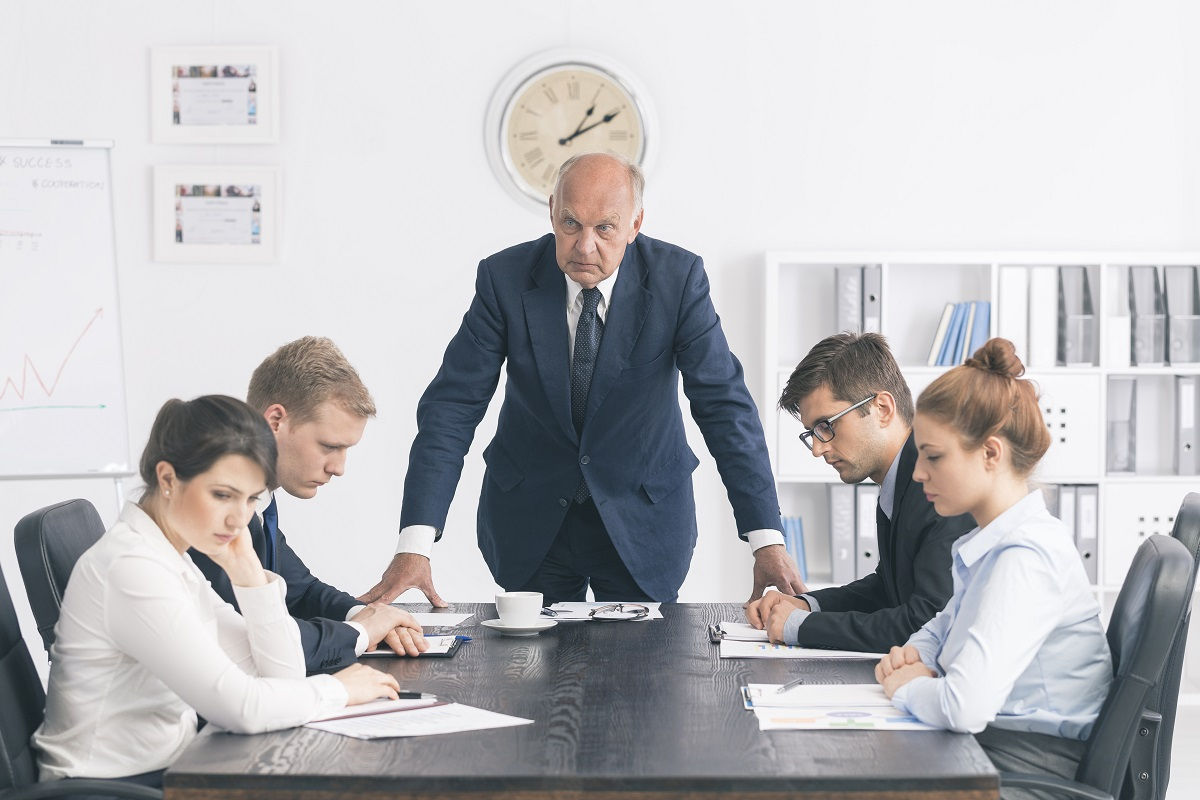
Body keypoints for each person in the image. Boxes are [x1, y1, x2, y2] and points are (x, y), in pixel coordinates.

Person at [360, 151, 804, 606]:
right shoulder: (504, 279)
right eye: (571, 224)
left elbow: (725, 407)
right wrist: (414, 545)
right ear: (552, 211)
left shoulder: (678, 280)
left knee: (643, 675)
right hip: (533, 520)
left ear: (635, 225)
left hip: (642, 520)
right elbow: (452, 408)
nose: (585, 246)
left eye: (605, 228)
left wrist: (766, 539)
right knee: (531, 672)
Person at [33, 395, 399, 787]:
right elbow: (240, 707)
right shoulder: (131, 568)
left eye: (250, 499)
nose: (238, 519)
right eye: (223, 495)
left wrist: (251, 579)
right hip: (107, 788)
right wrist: (338, 689)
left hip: (168, 768)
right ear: (168, 479)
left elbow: (283, 678)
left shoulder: (169, 556)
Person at [875, 339, 1112, 797]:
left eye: (934, 455)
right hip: (999, 750)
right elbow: (944, 625)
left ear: (990, 453)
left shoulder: (1026, 559)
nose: (919, 473)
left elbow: (964, 707)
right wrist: (916, 655)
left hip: (1029, 769)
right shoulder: (992, 544)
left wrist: (905, 687)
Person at [191, 337, 427, 674]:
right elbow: (254, 644)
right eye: (329, 446)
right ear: (276, 421)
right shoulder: (214, 514)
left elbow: (299, 593)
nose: (338, 468)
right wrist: (360, 632)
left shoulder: (261, 502)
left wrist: (375, 616)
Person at [746, 332, 974, 653]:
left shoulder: (937, 485)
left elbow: (928, 621)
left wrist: (800, 626)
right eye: (811, 433)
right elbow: (887, 590)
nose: (817, 448)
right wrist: (805, 605)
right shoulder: (900, 479)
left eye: (826, 425)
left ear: (881, 408)